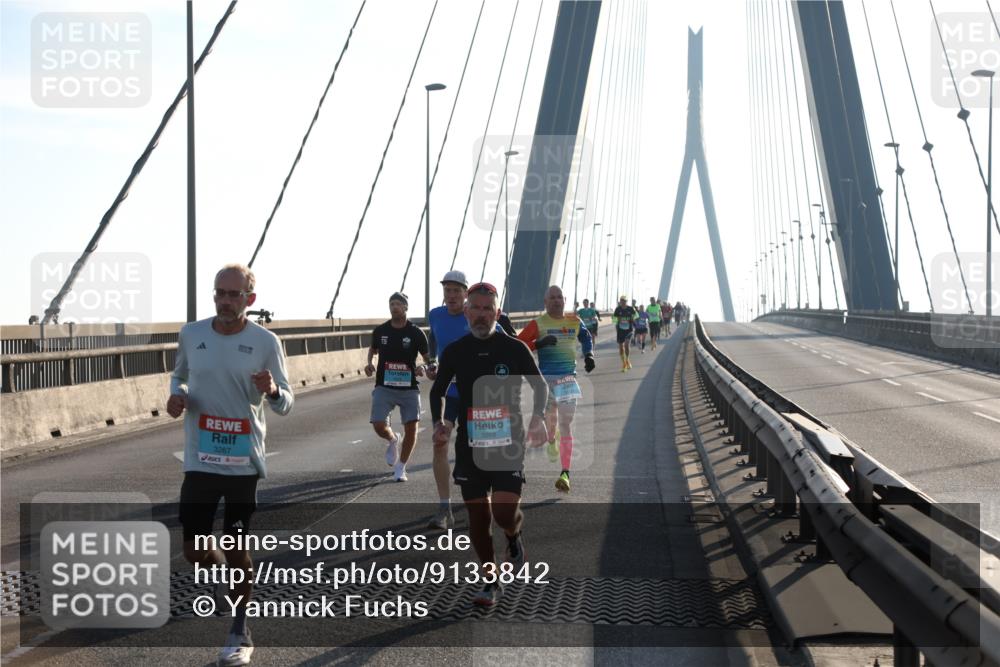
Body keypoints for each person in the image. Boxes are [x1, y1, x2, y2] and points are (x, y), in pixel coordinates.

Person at [168, 264, 294, 667]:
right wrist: (178, 397)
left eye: (233, 295)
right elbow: (179, 377)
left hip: (243, 462)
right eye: (219, 293)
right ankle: (229, 582)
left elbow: (287, 403)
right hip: (200, 459)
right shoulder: (192, 334)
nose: (224, 301)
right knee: (193, 551)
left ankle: (240, 630)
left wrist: (272, 389)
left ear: (249, 301)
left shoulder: (266, 342)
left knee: (236, 545)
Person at [429, 282, 549, 606]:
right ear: (466, 311)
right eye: (476, 308)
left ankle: (513, 535)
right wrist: (439, 423)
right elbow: (437, 391)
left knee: (504, 512)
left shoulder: (514, 349)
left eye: (487, 309)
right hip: (470, 447)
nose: (481, 315)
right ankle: (490, 582)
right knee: (479, 520)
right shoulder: (455, 351)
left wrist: (538, 418)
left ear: (497, 313)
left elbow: (540, 388)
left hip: (509, 443)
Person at [424, 271, 502, 528]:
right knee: (440, 442)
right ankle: (444, 508)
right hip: (449, 393)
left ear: (466, 295)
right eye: (448, 290)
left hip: (478, 395)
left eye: (457, 290)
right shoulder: (435, 315)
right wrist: (433, 363)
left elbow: (505, 345)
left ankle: (482, 502)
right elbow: (433, 342)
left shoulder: (479, 318)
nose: (452, 295)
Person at [517, 285, 595, 493]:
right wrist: (538, 343)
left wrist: (589, 355)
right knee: (551, 422)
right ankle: (552, 438)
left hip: (568, 380)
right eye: (552, 297)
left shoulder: (574, 321)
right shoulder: (538, 323)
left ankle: (565, 474)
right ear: (545, 302)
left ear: (565, 300)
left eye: (559, 297)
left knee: (566, 423)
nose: (556, 300)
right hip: (545, 382)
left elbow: (586, 338)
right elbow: (518, 345)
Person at [365, 292, 431, 482]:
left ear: (406, 308)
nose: (394, 307)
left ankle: (401, 467)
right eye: (391, 304)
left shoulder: (416, 333)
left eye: (398, 304)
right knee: (378, 425)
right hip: (384, 386)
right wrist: (370, 363)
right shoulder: (381, 331)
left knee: (412, 427)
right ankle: (393, 439)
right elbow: (373, 349)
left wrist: (424, 367)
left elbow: (428, 358)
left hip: (409, 387)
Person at [613, 295, 637, 371]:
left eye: (624, 301)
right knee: (621, 347)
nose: (623, 302)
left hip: (629, 330)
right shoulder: (617, 309)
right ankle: (624, 363)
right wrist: (617, 322)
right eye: (621, 301)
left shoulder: (631, 309)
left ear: (626, 301)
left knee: (626, 344)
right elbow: (614, 319)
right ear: (620, 301)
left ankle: (627, 360)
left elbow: (636, 316)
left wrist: (633, 319)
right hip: (620, 330)